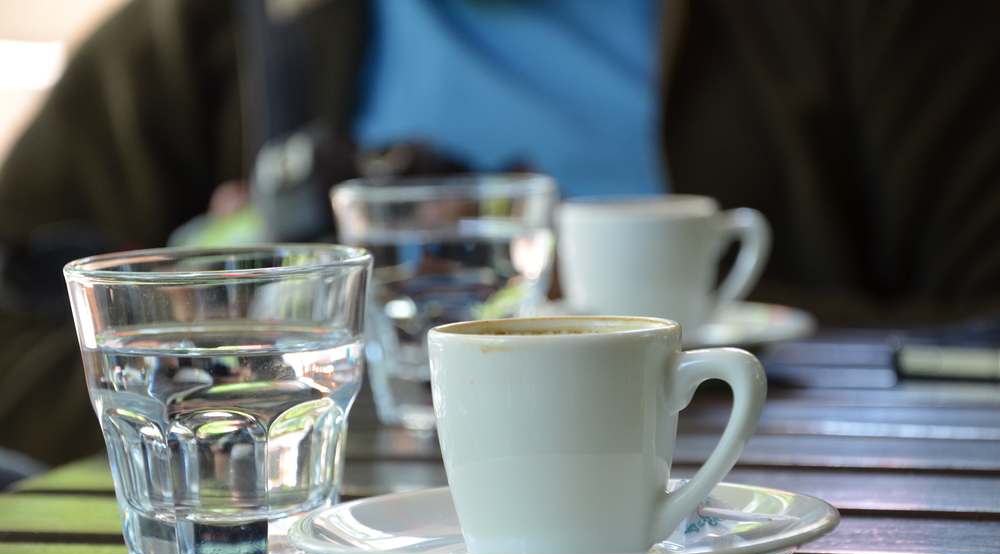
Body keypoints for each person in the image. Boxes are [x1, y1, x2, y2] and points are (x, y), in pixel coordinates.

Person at [2, 0, 1000, 467]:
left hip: (768, 533)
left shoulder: (879, 29)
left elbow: (978, 332)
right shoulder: (205, 38)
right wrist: (247, 339)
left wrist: (601, 322)